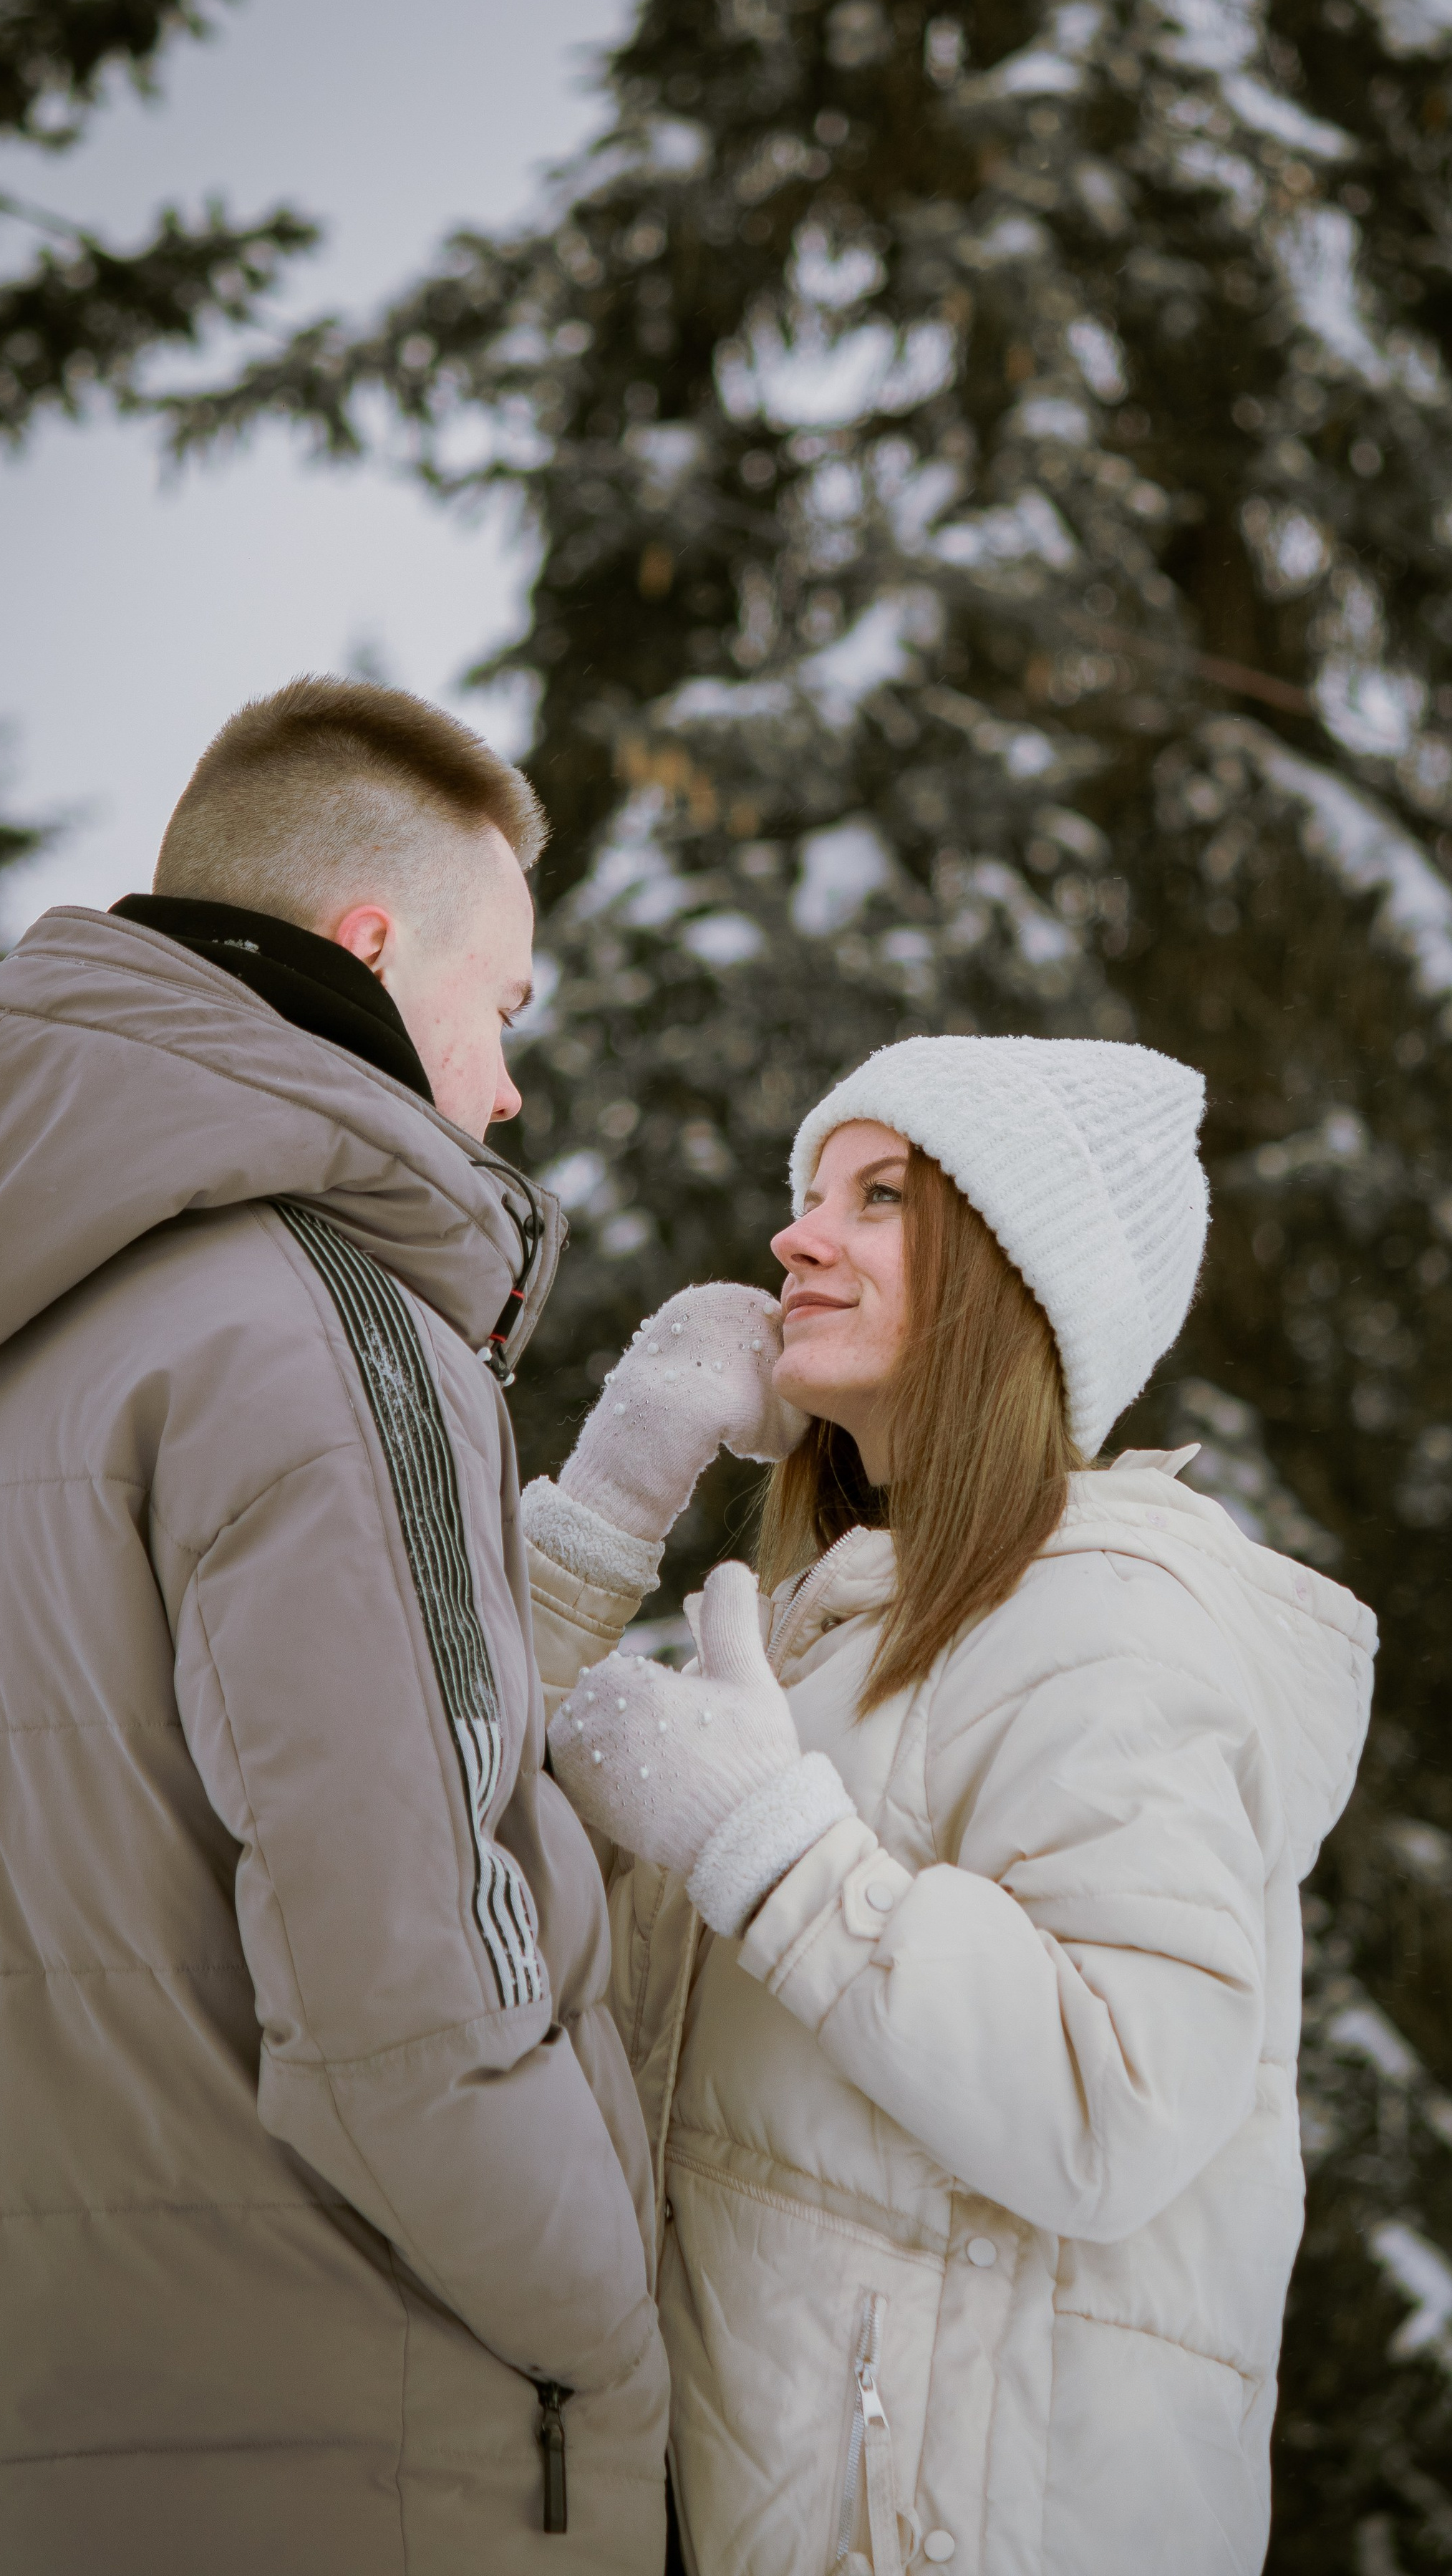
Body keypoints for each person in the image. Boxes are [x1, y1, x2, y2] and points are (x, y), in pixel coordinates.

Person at [0, 678, 671, 2575]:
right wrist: (603, 2359)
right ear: (366, 943)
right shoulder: (322, 1321)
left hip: (26, 2437)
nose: (506, 1088)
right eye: (500, 1007)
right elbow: (409, 2001)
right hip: (366, 2450)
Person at [521, 1033, 1378, 2576]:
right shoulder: (833, 1633)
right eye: (807, 1191)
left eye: (880, 1194)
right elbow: (449, 1844)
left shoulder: (1114, 1623)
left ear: (1012, 1279)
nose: (794, 1235)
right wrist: (611, 1499)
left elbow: (1109, 2099)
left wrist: (768, 1853)